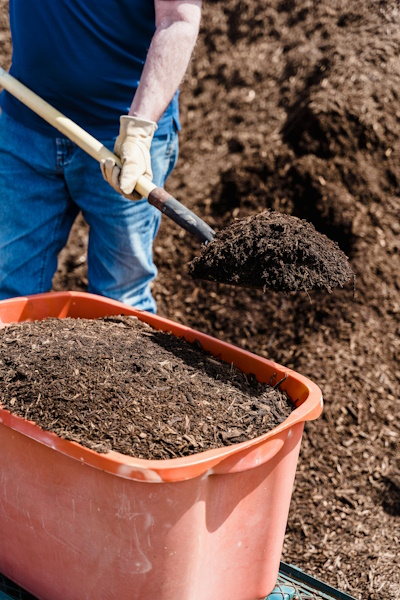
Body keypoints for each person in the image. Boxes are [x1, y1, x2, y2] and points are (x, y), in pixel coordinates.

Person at [0, 0, 202, 313]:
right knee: (8, 290)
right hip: (26, 125)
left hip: (123, 140)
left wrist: (138, 132)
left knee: (121, 301)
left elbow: (178, 19)